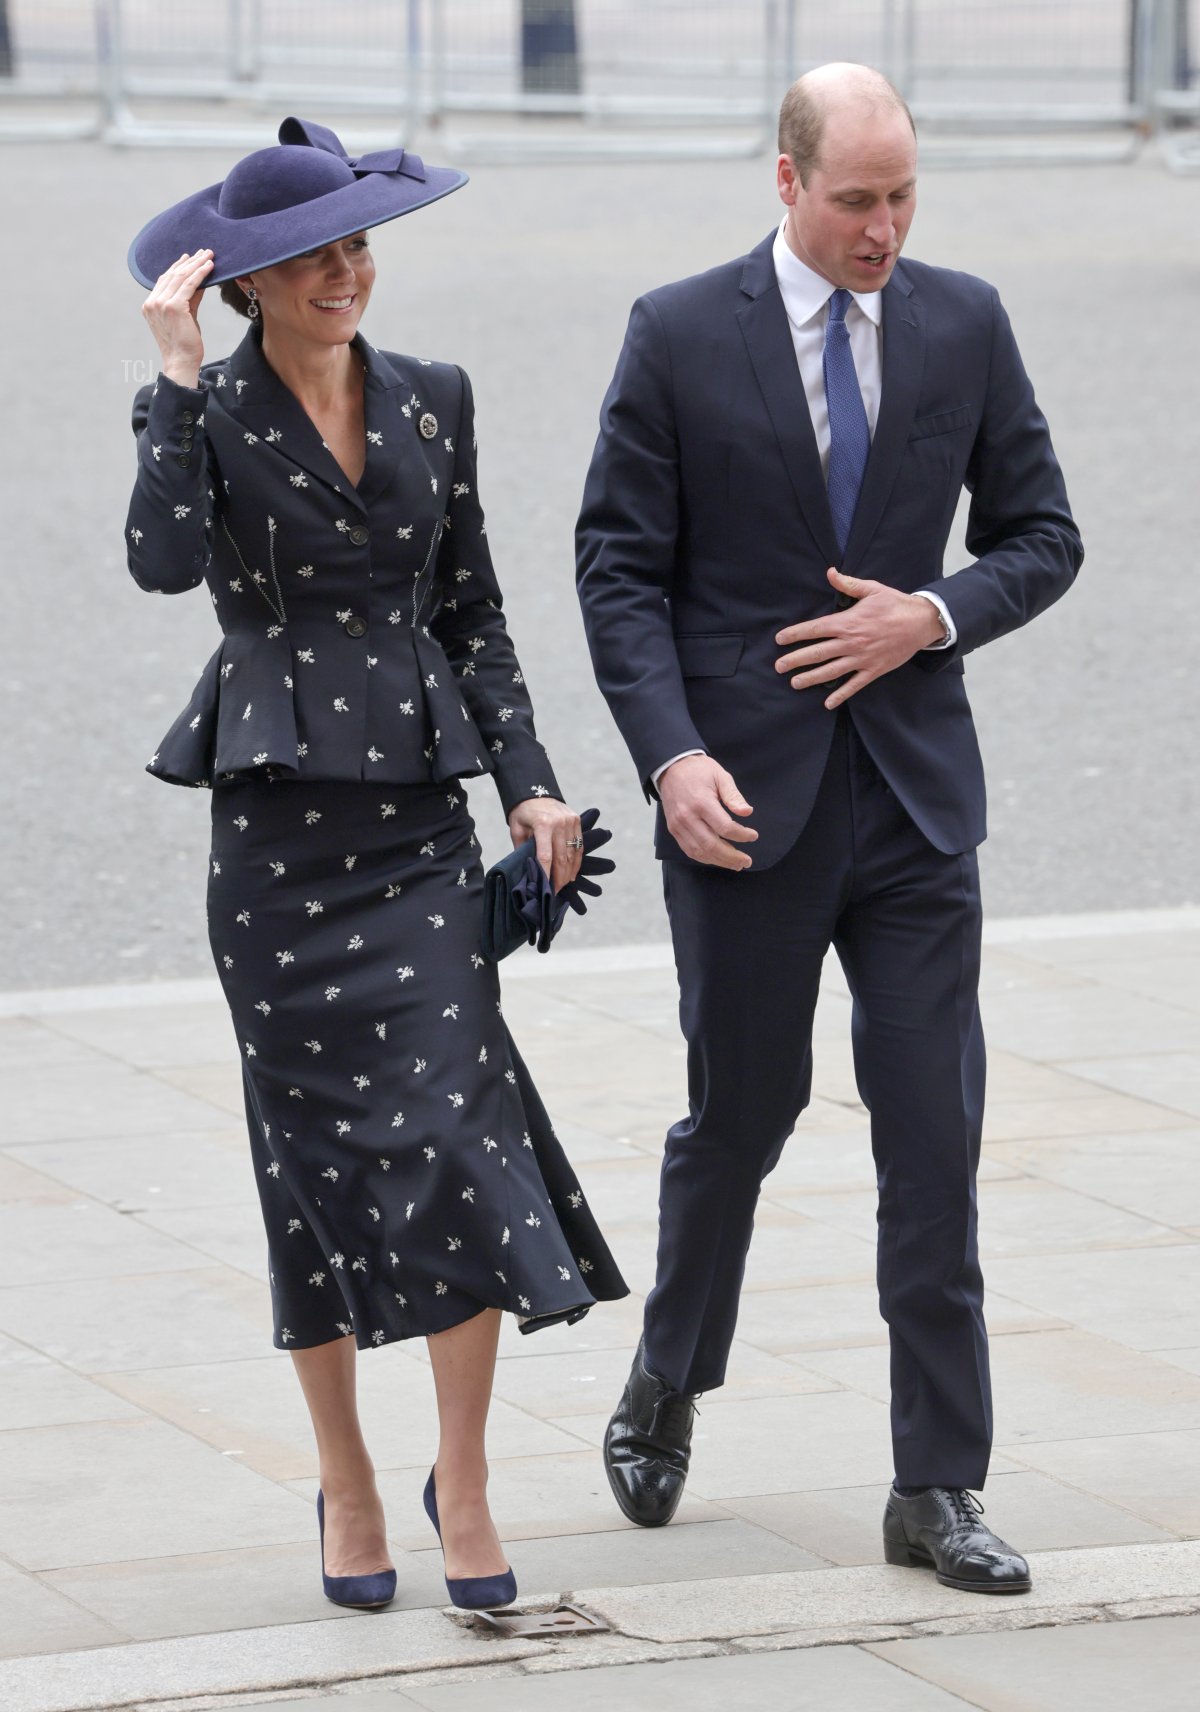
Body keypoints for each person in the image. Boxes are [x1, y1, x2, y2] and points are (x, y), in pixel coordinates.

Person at [576, 63, 1082, 1594]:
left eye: (904, 195)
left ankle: (937, 1485)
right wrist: (669, 760)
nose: (885, 227)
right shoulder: (677, 333)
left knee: (936, 1142)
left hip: (919, 804)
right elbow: (617, 571)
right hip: (745, 808)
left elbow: (1043, 535)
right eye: (858, 198)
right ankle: (669, 1374)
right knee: (743, 1117)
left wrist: (931, 615)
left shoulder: (963, 321)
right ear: (785, 181)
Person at [124, 116, 627, 1614]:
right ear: (251, 284)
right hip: (277, 844)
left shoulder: (434, 400)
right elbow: (159, 564)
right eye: (312, 255)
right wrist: (165, 383)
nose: (347, 269)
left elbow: (474, 609)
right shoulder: (205, 409)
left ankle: (460, 1477)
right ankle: (347, 1475)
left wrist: (531, 788)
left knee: (460, 1134)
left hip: (418, 821)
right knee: (314, 1174)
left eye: (357, 244)